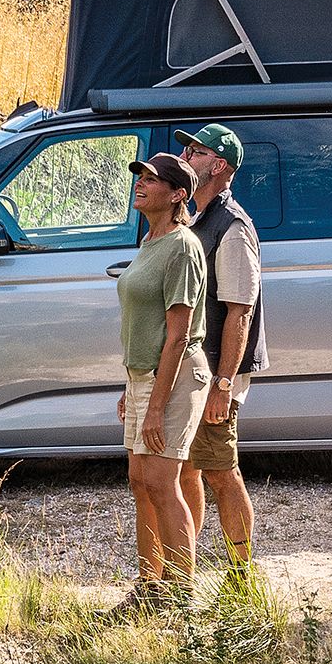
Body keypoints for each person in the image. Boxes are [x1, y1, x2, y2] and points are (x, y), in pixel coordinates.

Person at [111, 150, 210, 612]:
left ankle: (182, 594)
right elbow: (142, 323)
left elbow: (177, 336)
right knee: (139, 479)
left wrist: (154, 404)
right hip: (142, 377)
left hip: (173, 377)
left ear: (177, 195)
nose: (141, 183)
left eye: (152, 179)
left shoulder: (183, 247)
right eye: (140, 177)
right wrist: (129, 386)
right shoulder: (151, 242)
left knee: (163, 479)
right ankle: (151, 586)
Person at [177, 123, 265, 578]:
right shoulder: (197, 219)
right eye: (188, 150)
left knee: (220, 472)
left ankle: (241, 577)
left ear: (220, 165)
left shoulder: (232, 227)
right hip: (195, 372)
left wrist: (224, 385)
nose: (186, 157)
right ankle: (184, 572)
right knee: (188, 471)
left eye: (195, 152)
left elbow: (240, 314)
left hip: (217, 375)